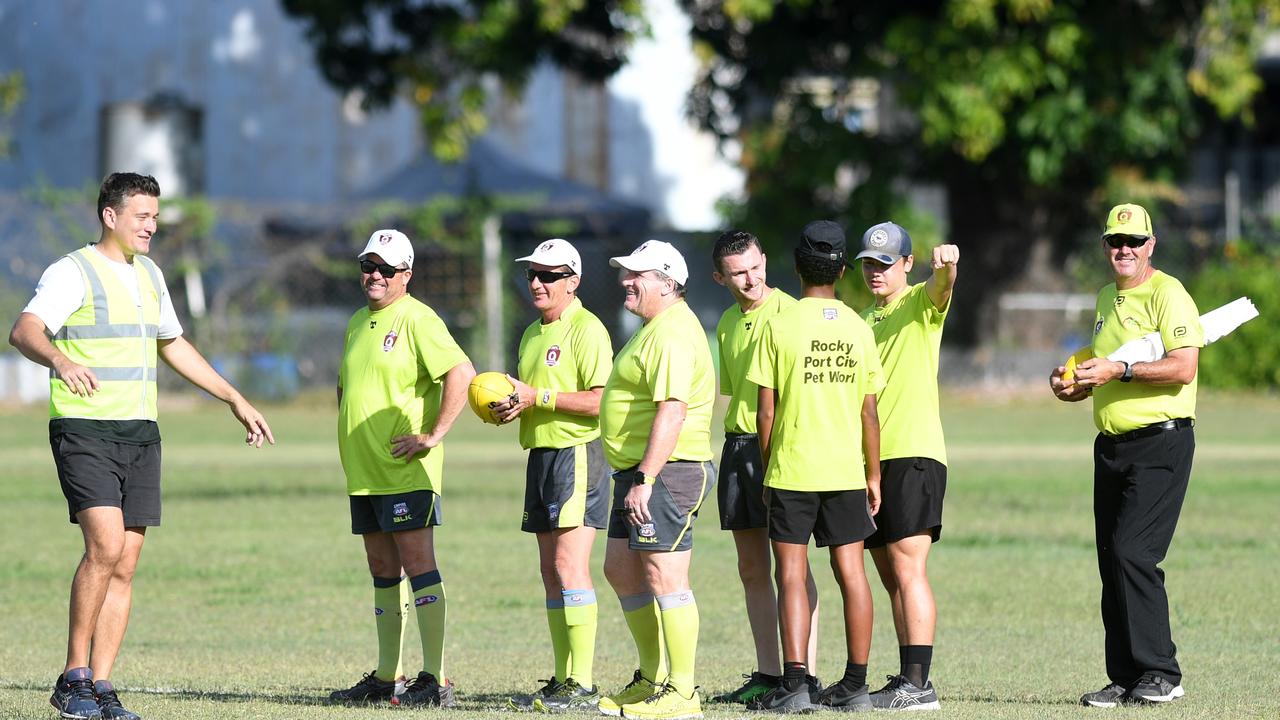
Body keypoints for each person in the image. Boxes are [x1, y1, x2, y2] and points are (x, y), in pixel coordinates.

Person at [8, 172, 274, 720]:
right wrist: (60, 358)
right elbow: (25, 330)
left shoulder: (151, 275)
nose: (152, 226)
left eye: (155, 216)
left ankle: (102, 687)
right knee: (104, 546)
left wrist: (232, 397)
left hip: (140, 434)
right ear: (110, 216)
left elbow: (173, 345)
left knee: (125, 563)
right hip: (84, 428)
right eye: (142, 217)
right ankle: (73, 676)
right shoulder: (72, 271)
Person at [1050, 203, 1202, 708]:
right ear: (1105, 246)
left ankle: (1162, 671)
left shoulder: (1169, 293)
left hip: (1161, 440)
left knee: (1135, 552)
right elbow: (1100, 366)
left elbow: (1182, 367)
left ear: (1151, 245)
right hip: (1111, 446)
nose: (1124, 249)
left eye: (1134, 241)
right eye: (1116, 240)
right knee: (1112, 558)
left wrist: (1120, 372)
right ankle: (1127, 675)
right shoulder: (1104, 298)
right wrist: (1073, 383)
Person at [330, 229, 476, 708]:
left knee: (419, 566)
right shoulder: (356, 321)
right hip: (366, 473)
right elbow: (347, 387)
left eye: (386, 269)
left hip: (405, 471)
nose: (374, 275)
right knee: (381, 568)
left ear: (406, 275)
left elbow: (461, 372)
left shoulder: (418, 318)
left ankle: (434, 678)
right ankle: (387, 677)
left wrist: (433, 436)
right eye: (368, 266)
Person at [744, 221, 884, 713]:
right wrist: (873, 474)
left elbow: (766, 412)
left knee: (791, 573)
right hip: (846, 471)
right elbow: (870, 411)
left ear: (796, 267)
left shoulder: (778, 324)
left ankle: (797, 682)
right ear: (843, 269)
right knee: (853, 574)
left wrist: (768, 467)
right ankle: (857, 683)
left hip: (792, 470)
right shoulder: (858, 327)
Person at [490, 239, 614, 712]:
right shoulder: (529, 335)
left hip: (577, 454)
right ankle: (562, 678)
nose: (537, 283)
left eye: (549, 275)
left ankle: (581, 683)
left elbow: (601, 399)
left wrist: (536, 397)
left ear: (573, 281)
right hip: (541, 456)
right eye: (532, 275)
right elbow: (532, 396)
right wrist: (507, 407)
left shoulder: (587, 329)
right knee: (549, 573)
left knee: (569, 567)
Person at [597, 240, 717, 720]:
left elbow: (672, 410)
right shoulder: (652, 328)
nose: (627, 280)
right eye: (626, 271)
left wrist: (645, 478)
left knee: (665, 575)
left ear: (667, 283)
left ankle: (683, 693)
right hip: (640, 472)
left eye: (638, 274)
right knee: (621, 568)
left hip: (666, 471)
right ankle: (651, 678)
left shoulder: (671, 333)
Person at [709, 230, 825, 705]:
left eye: (755, 267)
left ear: (766, 261)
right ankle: (768, 673)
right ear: (720, 278)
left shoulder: (793, 314)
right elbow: (734, 394)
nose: (750, 278)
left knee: (792, 566)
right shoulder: (727, 323)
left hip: (782, 448)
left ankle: (807, 674)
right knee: (750, 566)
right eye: (738, 272)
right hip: (738, 447)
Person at [855, 222, 957, 711]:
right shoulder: (860, 321)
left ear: (907, 265)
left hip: (914, 452)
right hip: (869, 461)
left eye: (885, 263)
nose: (876, 272)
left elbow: (943, 289)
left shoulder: (920, 303)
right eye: (869, 264)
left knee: (908, 566)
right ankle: (905, 676)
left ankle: (919, 684)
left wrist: (948, 267)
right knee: (890, 574)